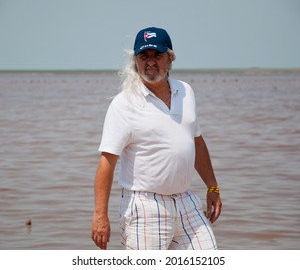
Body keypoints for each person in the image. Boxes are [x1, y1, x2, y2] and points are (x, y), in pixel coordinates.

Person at [91, 27, 222, 250]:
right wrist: (99, 216)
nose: (150, 62)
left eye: (157, 56)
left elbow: (197, 142)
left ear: (170, 59)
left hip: (186, 202)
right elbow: (107, 163)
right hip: (145, 208)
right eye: (144, 56)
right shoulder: (124, 104)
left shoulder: (186, 91)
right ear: (135, 62)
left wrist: (213, 187)